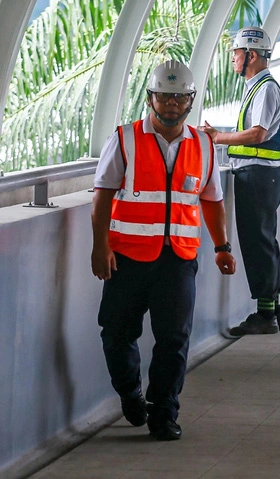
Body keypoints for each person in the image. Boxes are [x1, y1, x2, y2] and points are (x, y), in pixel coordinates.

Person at [93, 61, 236, 441]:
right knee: (116, 333)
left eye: (179, 97)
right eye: (164, 96)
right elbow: (103, 197)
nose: (171, 103)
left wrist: (222, 246)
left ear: (190, 100)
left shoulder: (203, 145)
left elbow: (212, 200)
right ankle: (130, 394)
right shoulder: (124, 139)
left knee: (174, 339)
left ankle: (164, 413)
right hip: (126, 258)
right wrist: (100, 246)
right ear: (150, 98)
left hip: (179, 259)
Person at [202, 27, 280, 336]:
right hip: (260, 174)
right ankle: (273, 308)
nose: (234, 59)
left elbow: (258, 133)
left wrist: (216, 138)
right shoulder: (257, 86)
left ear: (251, 55)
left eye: (237, 53)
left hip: (258, 175)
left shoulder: (265, 88)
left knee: (257, 243)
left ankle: (265, 315)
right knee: (264, 240)